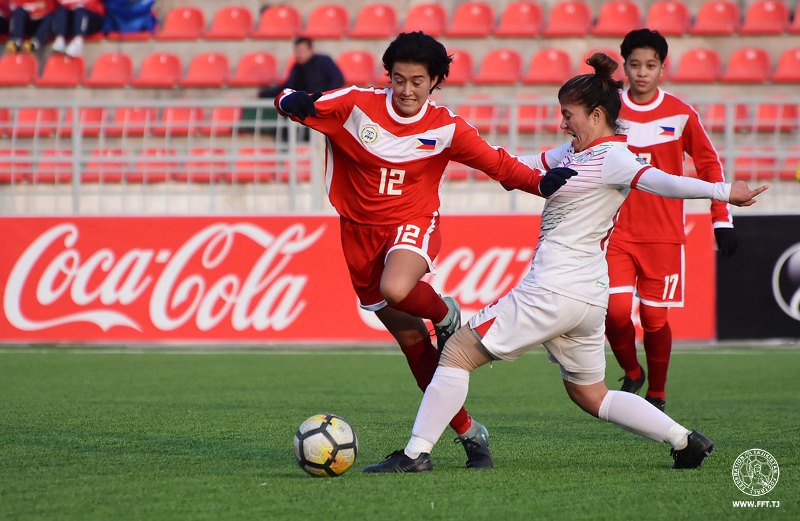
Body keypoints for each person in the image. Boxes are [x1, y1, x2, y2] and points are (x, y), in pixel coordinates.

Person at [362, 53, 767, 473]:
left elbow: (663, 182)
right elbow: (517, 168)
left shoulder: (614, 158)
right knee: (590, 394)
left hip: (553, 290)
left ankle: (415, 455)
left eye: (568, 115)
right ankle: (684, 441)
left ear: (595, 115)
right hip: (586, 298)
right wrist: (449, 148)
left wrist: (722, 192)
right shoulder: (575, 153)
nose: (562, 123)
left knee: (457, 353)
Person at [275, 31, 576, 470]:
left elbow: (497, 163)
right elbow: (293, 98)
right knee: (413, 344)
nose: (407, 90)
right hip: (357, 232)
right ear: (388, 77)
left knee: (397, 287)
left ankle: (447, 313)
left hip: (412, 224)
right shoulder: (356, 103)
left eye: (418, 81)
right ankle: (469, 433)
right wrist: (292, 103)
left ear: (435, 81)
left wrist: (539, 183)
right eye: (398, 79)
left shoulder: (445, 126)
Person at [605, 29, 737, 412]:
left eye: (650, 65)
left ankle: (658, 393)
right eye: (634, 65)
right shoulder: (610, 110)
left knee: (653, 318)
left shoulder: (680, 113)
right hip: (615, 232)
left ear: (663, 67)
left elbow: (709, 164)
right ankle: (632, 371)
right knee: (613, 313)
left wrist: (721, 220)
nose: (642, 73)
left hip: (663, 235)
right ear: (624, 66)